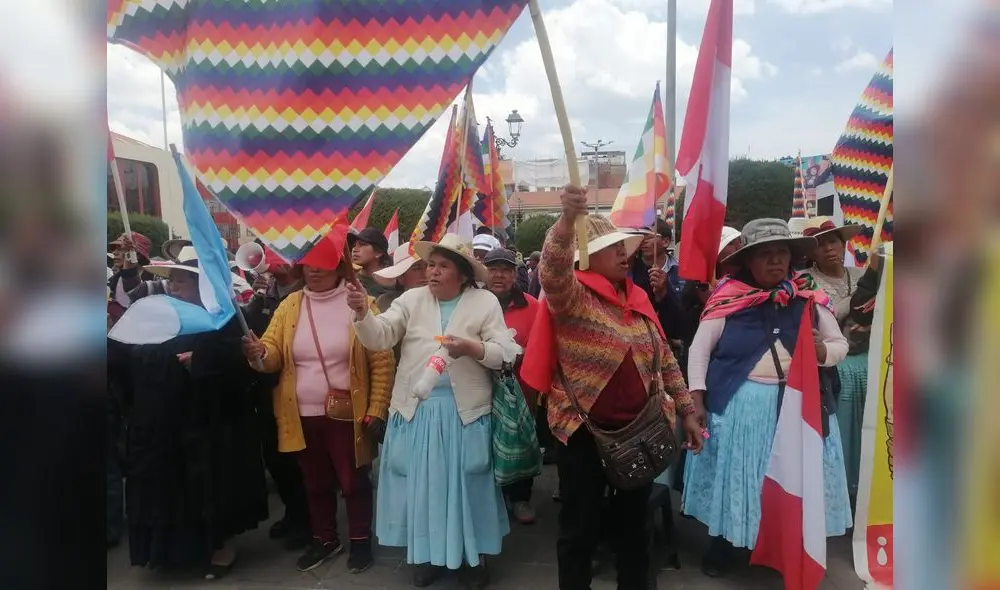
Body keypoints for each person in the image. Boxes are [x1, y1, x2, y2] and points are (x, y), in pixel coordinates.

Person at [521, 185, 703, 590]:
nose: (625, 253)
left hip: (639, 432)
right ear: (586, 256)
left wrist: (687, 410)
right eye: (611, 247)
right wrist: (567, 221)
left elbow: (665, 359)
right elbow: (551, 270)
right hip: (583, 436)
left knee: (635, 532)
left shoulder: (636, 298)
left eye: (625, 247)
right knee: (579, 533)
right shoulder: (571, 298)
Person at [682, 218, 852, 577]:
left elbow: (840, 345)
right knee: (739, 478)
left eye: (781, 253)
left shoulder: (807, 298)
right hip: (741, 407)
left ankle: (787, 547)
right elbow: (698, 352)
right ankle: (726, 544)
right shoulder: (728, 298)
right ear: (749, 261)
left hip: (798, 408)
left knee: (789, 480)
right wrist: (696, 400)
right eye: (765, 254)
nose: (775, 261)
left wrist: (823, 353)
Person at [346, 234, 518, 589]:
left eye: (443, 266)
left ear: (463, 273)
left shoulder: (484, 302)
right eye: (430, 266)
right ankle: (427, 556)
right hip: (417, 413)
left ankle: (474, 559)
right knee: (423, 490)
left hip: (465, 415)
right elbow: (380, 337)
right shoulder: (411, 299)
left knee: (468, 488)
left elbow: (505, 353)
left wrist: (472, 347)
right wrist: (363, 313)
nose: (433, 272)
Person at [241, 228, 394, 574]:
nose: (314, 269)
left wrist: (376, 408)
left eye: (322, 262)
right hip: (300, 414)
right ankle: (324, 539)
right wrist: (258, 353)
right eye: (308, 263)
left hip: (349, 415)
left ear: (340, 265)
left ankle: (359, 541)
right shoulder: (290, 304)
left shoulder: (360, 302)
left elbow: (381, 360)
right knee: (314, 483)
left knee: (354, 482)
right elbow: (273, 354)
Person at [111, 259, 268, 580]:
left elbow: (242, 367)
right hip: (158, 421)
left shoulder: (222, 321)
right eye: (173, 281)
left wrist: (202, 361)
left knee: (207, 485)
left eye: (182, 282)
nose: (173, 286)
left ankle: (221, 545)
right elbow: (127, 358)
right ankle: (176, 549)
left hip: (206, 423)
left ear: (202, 288)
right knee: (168, 487)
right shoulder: (156, 316)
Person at [241, 249, 311, 551]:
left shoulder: (304, 296)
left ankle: (309, 521)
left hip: (296, 392)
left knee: (299, 463)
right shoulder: (264, 296)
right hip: (266, 391)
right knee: (276, 459)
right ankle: (293, 513)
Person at [803, 217, 867, 502]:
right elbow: (824, 319)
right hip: (831, 370)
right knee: (840, 433)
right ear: (811, 252)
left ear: (844, 244)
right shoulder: (804, 281)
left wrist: (870, 323)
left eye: (833, 241)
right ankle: (838, 495)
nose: (829, 248)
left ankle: (867, 489)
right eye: (820, 244)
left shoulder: (862, 274)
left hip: (869, 365)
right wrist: (858, 299)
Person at [483, 248, 541, 525]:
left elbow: (542, 344)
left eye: (505, 270)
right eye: (493, 269)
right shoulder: (474, 303)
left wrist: (518, 354)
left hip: (521, 389)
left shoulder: (532, 305)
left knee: (521, 442)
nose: (498, 276)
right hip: (482, 388)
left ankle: (521, 497)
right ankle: (491, 498)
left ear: (514, 274)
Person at [352, 228, 393, 298]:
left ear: (378, 252)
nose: (355, 249)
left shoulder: (398, 281)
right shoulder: (350, 283)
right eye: (354, 245)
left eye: (362, 244)